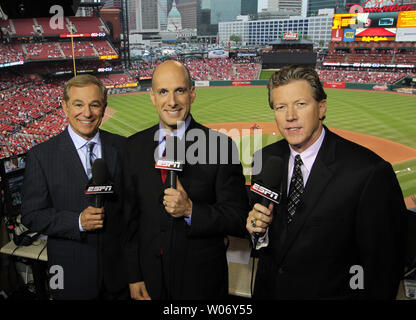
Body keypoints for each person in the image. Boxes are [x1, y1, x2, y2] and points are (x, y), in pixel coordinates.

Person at [246, 65, 407, 299]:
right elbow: (270, 237)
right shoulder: (263, 158)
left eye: (301, 104)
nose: (290, 115)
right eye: (281, 107)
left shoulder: (368, 172)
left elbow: (383, 268)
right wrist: (257, 231)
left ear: (321, 107)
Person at [124, 60, 249, 300]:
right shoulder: (133, 147)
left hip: (200, 282)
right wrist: (133, 274)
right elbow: (129, 219)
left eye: (179, 90)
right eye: (163, 92)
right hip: (148, 279)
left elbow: (237, 217)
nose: (172, 102)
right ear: (152, 96)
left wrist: (191, 210)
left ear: (192, 93)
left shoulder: (220, 147)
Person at [21, 75, 128, 300]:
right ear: (65, 107)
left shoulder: (123, 147)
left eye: (94, 104)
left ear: (104, 108)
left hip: (119, 274)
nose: (86, 113)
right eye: (78, 104)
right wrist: (77, 221)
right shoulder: (41, 156)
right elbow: (31, 215)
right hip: (69, 275)